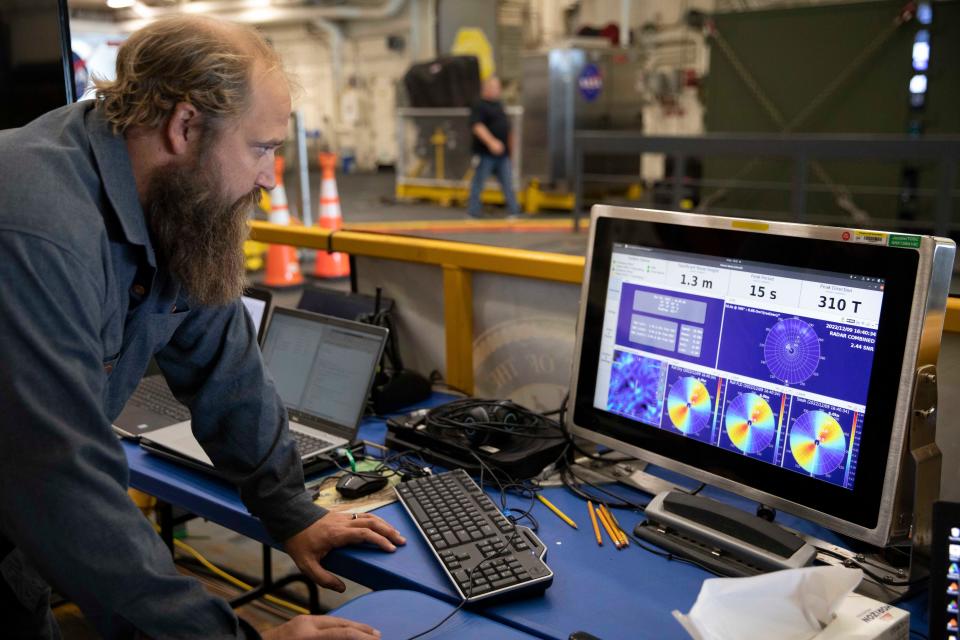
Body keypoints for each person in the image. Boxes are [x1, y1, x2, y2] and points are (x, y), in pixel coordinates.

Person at [0, 15, 404, 640]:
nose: (270, 180)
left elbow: (225, 365)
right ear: (185, 126)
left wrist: (291, 511)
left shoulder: (172, 201)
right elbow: (59, 479)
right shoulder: (35, 225)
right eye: (261, 149)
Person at [466, 76, 521, 219]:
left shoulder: (499, 105)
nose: (497, 91)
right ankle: (473, 212)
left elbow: (506, 127)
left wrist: (510, 148)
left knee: (508, 183)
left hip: (503, 155)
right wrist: (491, 142)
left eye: (498, 88)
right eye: (495, 87)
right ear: (486, 88)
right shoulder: (479, 105)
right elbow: (477, 126)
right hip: (485, 154)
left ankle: (514, 211)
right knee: (479, 182)